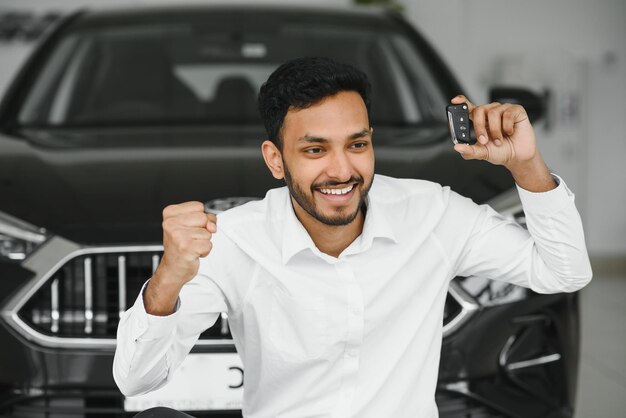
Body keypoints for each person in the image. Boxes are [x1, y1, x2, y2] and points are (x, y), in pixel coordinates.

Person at [113, 57, 592, 418]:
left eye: (357, 144)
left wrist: (524, 163)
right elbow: (136, 379)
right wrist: (167, 280)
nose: (342, 170)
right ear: (276, 160)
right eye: (315, 149)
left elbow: (564, 271)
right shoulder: (235, 241)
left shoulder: (431, 213)